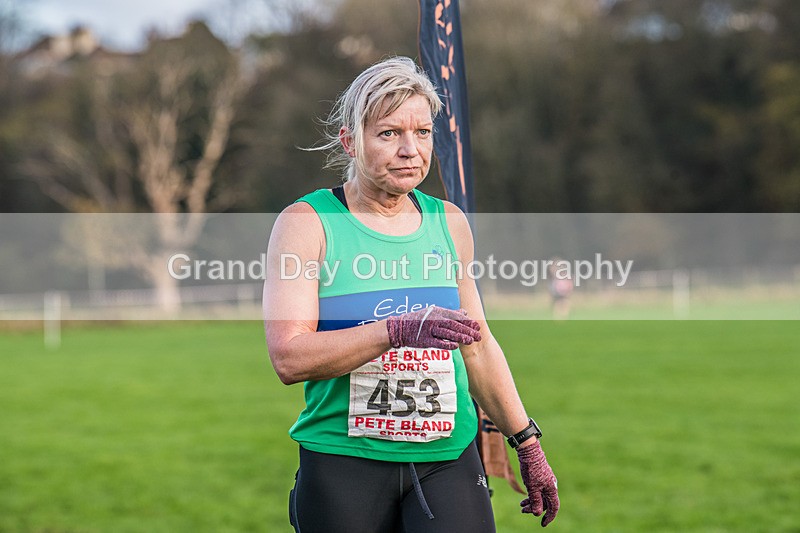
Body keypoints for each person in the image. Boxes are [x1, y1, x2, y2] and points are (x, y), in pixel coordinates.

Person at [263, 56, 559, 532]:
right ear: (350, 141)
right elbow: (289, 358)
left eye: (422, 133)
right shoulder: (308, 223)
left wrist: (527, 442)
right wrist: (396, 330)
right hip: (344, 461)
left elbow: (477, 344)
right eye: (388, 133)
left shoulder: (449, 222)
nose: (409, 149)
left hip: (447, 458)